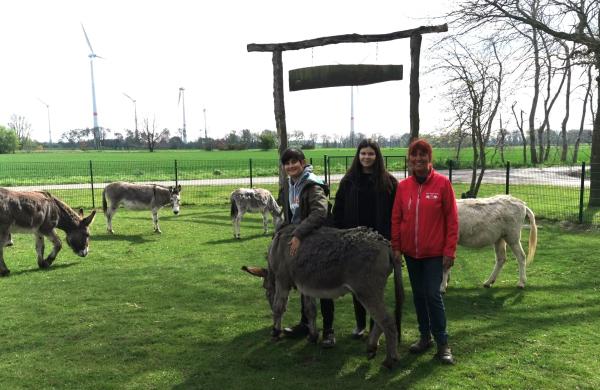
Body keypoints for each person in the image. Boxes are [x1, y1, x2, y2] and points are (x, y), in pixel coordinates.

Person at [390, 138, 458, 365]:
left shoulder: (442, 184)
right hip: (411, 253)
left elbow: (452, 220)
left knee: (432, 294)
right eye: (414, 155)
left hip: (434, 253)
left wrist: (450, 250)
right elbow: (397, 218)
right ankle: (424, 337)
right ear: (409, 159)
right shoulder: (403, 187)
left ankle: (443, 343)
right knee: (418, 296)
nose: (418, 159)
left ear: (430, 159)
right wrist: (397, 247)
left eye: (423, 155)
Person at [332, 139, 398, 339]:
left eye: (370, 154)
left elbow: (396, 213)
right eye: (363, 154)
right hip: (354, 243)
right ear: (358, 156)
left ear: (377, 156)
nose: (366, 157)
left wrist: (393, 240)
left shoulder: (389, 182)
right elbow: (339, 209)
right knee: (357, 286)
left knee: (375, 287)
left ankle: (374, 325)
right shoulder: (349, 181)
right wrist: (340, 235)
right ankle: (360, 325)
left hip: (379, 243)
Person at [278, 147, 336, 348]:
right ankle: (306, 324)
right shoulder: (288, 185)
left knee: (323, 285)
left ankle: (329, 331)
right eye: (287, 163)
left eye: (295, 161)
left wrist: (298, 233)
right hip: (300, 241)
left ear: (303, 162)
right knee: (303, 283)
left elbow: (320, 213)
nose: (291, 166)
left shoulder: (313, 184)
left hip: (319, 241)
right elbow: (290, 214)